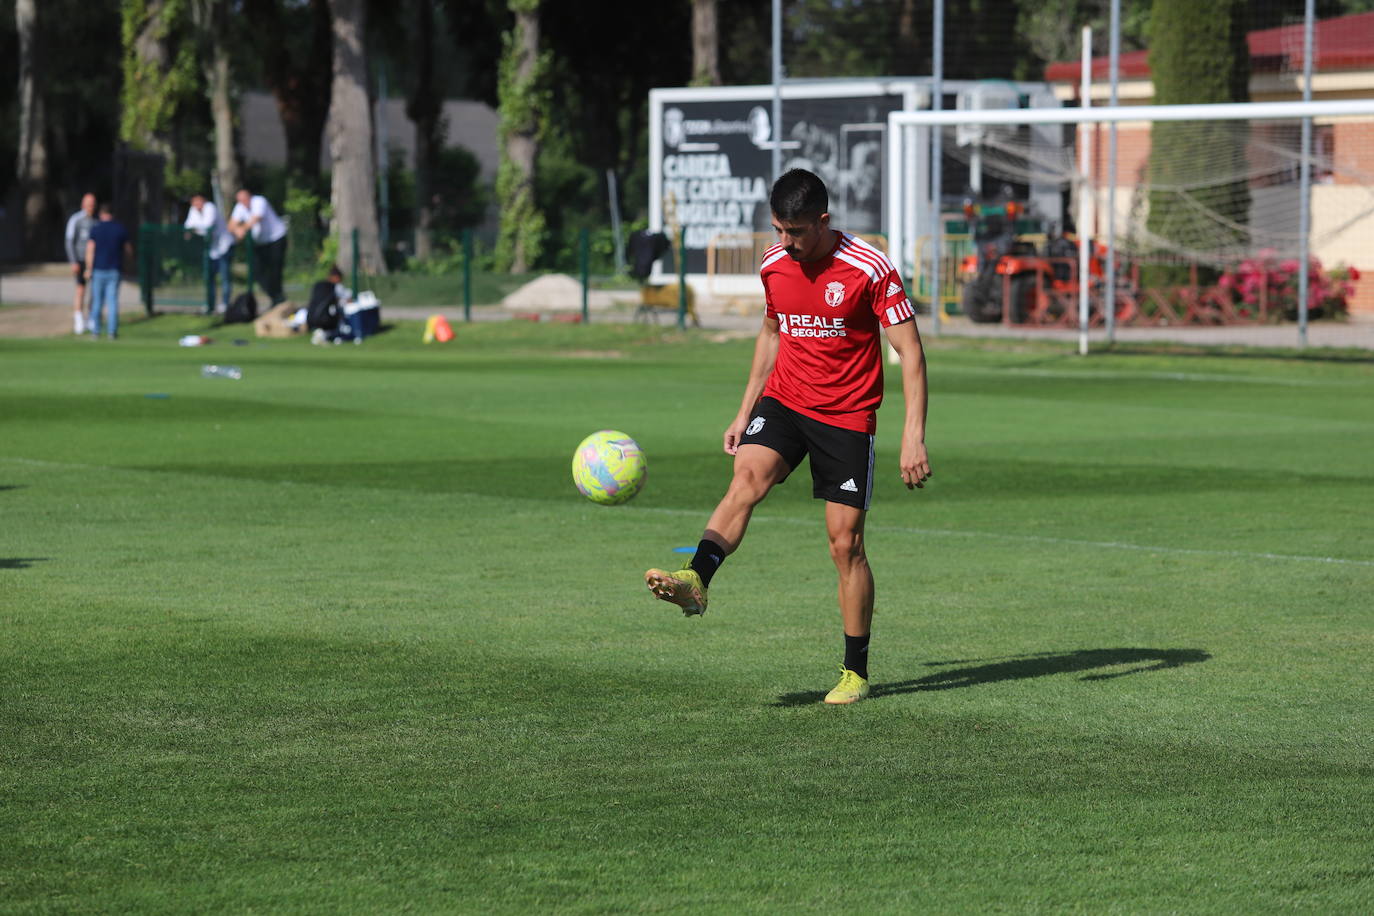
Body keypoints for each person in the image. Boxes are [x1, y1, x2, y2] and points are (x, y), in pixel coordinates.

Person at [643, 168, 932, 705]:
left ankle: (855, 672)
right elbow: (773, 332)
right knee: (746, 478)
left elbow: (911, 352)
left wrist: (913, 436)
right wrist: (743, 409)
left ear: (822, 221)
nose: (784, 242)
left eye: (795, 231)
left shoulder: (871, 268)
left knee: (845, 545)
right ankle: (697, 579)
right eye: (778, 229)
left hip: (846, 415)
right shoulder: (775, 264)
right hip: (785, 401)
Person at [227, 188, 288, 306]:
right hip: (260, 243)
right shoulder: (240, 207)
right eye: (240, 201)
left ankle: (278, 297)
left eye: (244, 200)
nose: (243, 203)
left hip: (276, 238)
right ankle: (275, 296)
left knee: (275, 270)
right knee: (257, 271)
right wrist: (237, 229)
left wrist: (242, 228)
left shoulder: (259, 201)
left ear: (250, 197)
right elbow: (231, 225)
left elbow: (256, 218)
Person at [84, 204, 132, 339]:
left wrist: (88, 268)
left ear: (101, 214)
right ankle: (112, 332)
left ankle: (96, 331)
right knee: (112, 302)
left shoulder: (96, 229)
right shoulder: (119, 229)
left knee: (97, 302)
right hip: (114, 269)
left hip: (98, 269)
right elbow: (128, 250)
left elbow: (90, 250)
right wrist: (128, 265)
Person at [183, 193, 235, 313]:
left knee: (224, 277)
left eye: (199, 201)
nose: (197, 204)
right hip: (211, 249)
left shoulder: (210, 207)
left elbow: (206, 226)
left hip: (224, 246)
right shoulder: (193, 210)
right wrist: (194, 229)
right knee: (209, 278)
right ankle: (210, 304)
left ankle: (225, 304)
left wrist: (194, 229)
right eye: (194, 202)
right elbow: (188, 226)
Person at [64, 193, 97, 335]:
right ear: (83, 204)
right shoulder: (76, 219)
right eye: (88, 203)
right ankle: (79, 320)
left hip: (95, 261)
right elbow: (69, 241)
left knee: (94, 292)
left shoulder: (96, 221)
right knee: (80, 290)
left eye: (93, 203)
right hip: (80, 260)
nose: (91, 206)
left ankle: (91, 319)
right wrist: (73, 261)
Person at [305, 264, 355, 344]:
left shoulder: (318, 285)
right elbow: (348, 299)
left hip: (310, 318)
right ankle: (327, 335)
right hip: (325, 319)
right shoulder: (335, 287)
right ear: (336, 277)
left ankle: (321, 334)